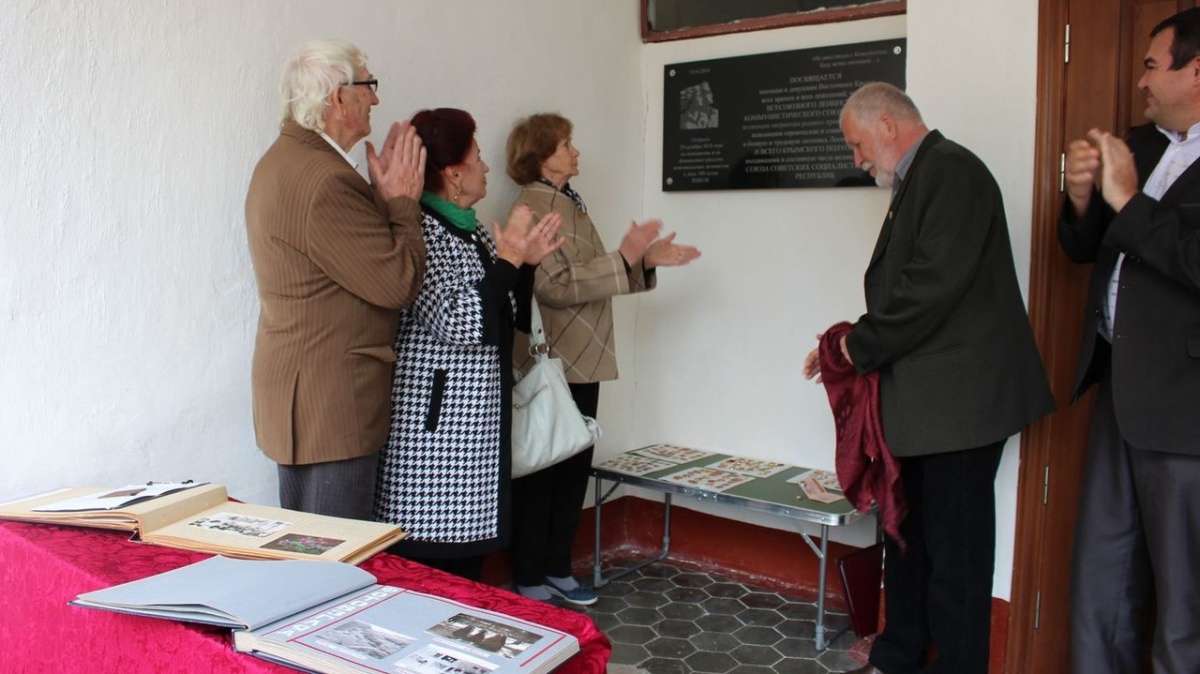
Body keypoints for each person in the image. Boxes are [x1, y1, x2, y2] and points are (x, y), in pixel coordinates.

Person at [802, 82, 1054, 674]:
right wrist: (845, 344)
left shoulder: (953, 172)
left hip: (961, 409)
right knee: (905, 538)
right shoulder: (922, 177)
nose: (856, 158)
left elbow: (930, 288)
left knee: (956, 554)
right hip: (925, 407)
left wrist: (856, 344)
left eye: (857, 143)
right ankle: (899, 652)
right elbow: (910, 290)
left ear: (887, 124)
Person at [504, 113, 700, 605]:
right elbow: (554, 284)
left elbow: (591, 276)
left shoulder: (568, 201)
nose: (576, 151)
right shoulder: (532, 205)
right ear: (540, 153)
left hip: (583, 356)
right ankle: (530, 573)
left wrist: (641, 262)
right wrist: (625, 259)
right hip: (554, 361)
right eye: (566, 143)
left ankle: (556, 567)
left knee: (572, 470)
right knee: (542, 471)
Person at [1060, 9, 1200, 673]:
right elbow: (1082, 249)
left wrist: (1127, 198)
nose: (1141, 82)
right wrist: (1084, 198)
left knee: (1185, 601)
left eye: (1151, 65)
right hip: (1119, 389)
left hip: (1186, 409)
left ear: (1195, 71)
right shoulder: (1139, 147)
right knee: (1101, 580)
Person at [373, 108, 563, 581]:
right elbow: (459, 321)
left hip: (471, 435)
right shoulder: (423, 231)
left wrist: (524, 265)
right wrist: (509, 263)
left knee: (465, 572)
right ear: (454, 173)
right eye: (478, 158)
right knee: (430, 572)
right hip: (434, 443)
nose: (487, 168)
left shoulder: (472, 228)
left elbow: (505, 316)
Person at [245, 39, 427, 519]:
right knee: (334, 565)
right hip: (330, 404)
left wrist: (380, 199)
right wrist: (403, 202)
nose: (377, 99)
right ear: (338, 98)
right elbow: (398, 282)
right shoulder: (326, 180)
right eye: (369, 85)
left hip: (304, 396)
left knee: (313, 553)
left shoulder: (283, 161)